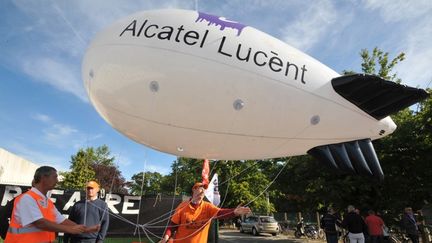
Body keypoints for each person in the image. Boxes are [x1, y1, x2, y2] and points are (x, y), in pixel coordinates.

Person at [4, 166, 100, 243]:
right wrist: (70, 230)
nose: (57, 181)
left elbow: (61, 220)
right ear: (43, 178)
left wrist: (86, 229)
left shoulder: (47, 202)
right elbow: (40, 223)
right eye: (55, 177)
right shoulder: (27, 198)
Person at [160, 182, 252, 243]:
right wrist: (166, 237)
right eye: (201, 187)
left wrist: (234, 212)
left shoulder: (208, 207)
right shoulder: (182, 206)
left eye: (205, 188)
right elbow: (173, 225)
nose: (203, 190)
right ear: (194, 189)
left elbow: (221, 213)